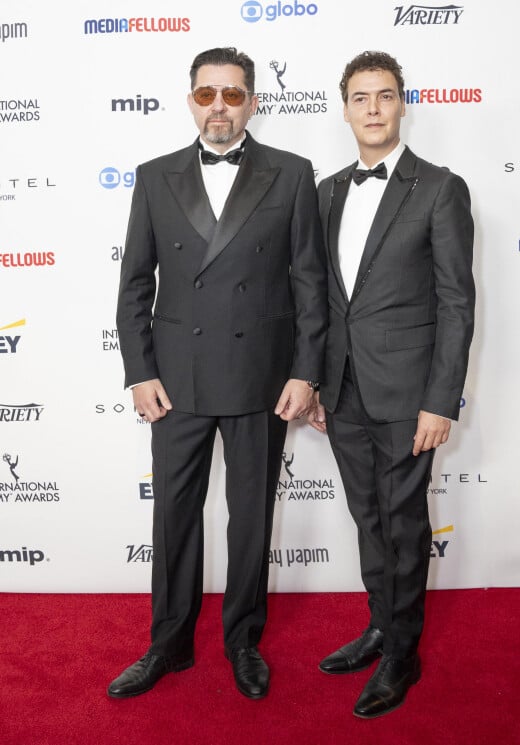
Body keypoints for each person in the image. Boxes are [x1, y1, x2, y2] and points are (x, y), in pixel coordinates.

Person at [109, 47, 327, 701]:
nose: (220, 107)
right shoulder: (154, 177)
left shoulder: (291, 174)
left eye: (233, 95)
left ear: (253, 102)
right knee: (174, 516)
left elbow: (309, 284)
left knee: (250, 517)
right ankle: (168, 644)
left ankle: (242, 641)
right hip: (175, 380)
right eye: (207, 94)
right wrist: (139, 371)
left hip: (261, 375)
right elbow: (132, 286)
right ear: (191, 100)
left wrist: (306, 370)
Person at [308, 51, 475, 719]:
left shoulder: (439, 187)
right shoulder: (325, 193)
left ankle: (403, 651)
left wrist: (441, 398)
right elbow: (321, 299)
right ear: (344, 108)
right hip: (343, 388)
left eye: (385, 95)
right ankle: (381, 623)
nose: (373, 107)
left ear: (403, 103)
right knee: (368, 518)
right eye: (360, 97)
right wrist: (319, 382)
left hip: (409, 395)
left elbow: (457, 301)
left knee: (403, 522)